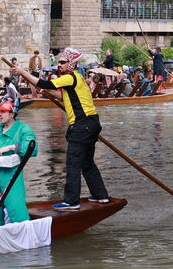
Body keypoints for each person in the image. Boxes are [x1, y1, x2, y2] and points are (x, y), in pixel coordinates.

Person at [13, 48, 109, 210]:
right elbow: (63, 97)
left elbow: (44, 83)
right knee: (86, 162)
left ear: (71, 64)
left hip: (82, 125)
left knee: (72, 163)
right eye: (59, 62)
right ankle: (101, 195)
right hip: (91, 124)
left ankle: (71, 201)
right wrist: (49, 92)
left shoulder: (70, 77)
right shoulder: (77, 78)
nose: (60, 65)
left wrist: (22, 72)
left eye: (63, 62)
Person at [0, 101, 37, 226]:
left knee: (16, 207)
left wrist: (11, 147)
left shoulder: (23, 129)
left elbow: (32, 147)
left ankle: (24, 233)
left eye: (2, 111)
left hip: (12, 174)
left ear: (12, 114)